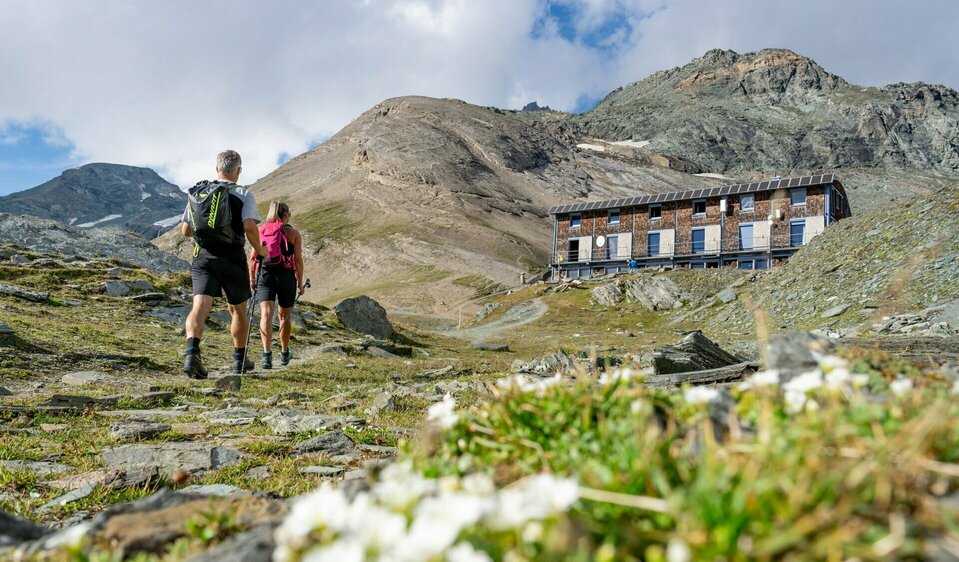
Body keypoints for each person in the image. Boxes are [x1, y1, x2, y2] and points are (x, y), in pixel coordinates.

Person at [180, 150, 266, 378]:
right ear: (239, 170)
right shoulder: (243, 193)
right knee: (238, 310)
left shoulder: (198, 192)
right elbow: (249, 227)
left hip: (202, 257)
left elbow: (185, 230)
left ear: (217, 168)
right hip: (231, 257)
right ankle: (239, 360)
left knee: (199, 306)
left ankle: (191, 354)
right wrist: (260, 250)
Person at [250, 201, 305, 369]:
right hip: (286, 276)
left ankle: (266, 355)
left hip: (265, 275)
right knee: (284, 315)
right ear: (286, 215)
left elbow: (253, 258)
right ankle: (284, 351)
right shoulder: (293, 233)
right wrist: (300, 283)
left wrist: (252, 279)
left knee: (266, 313)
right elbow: (298, 260)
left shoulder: (261, 231)